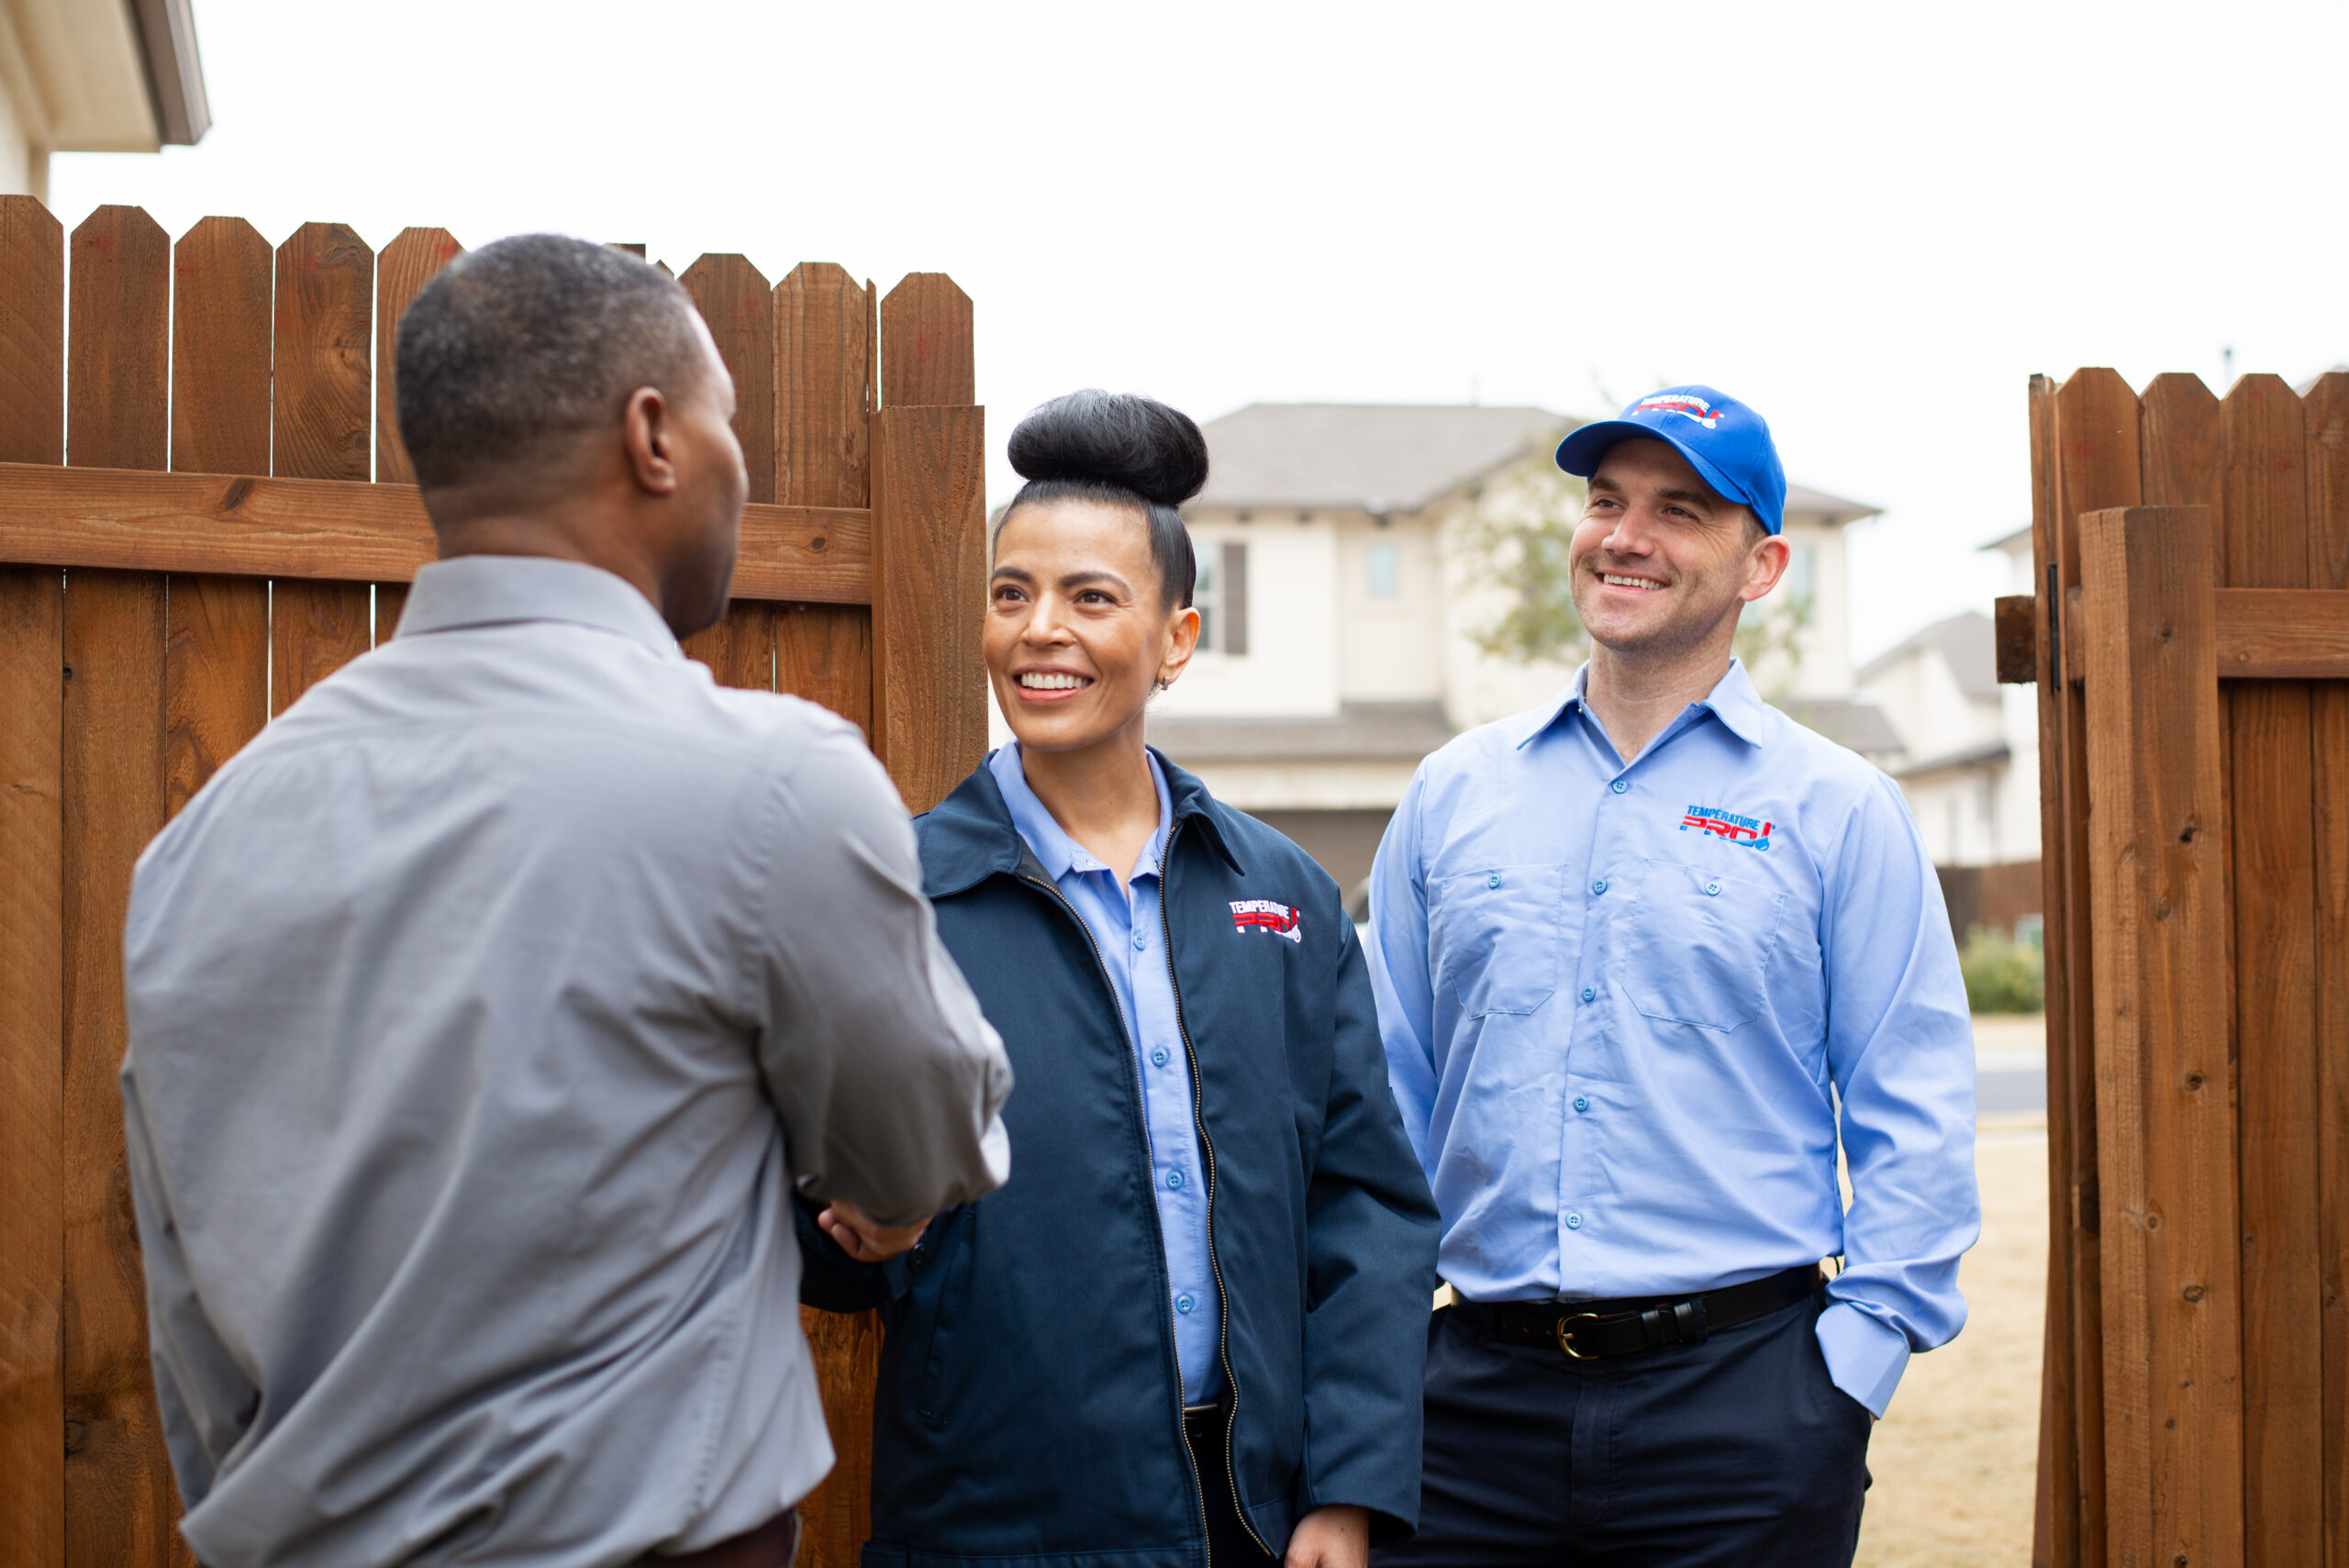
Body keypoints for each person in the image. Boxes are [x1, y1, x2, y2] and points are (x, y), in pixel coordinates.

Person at [119, 235, 1013, 1568]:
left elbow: (185, 1296)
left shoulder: (202, 840)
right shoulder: (771, 785)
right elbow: (923, 1142)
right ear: (653, 437)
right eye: (730, 422)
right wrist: (885, 1195)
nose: (741, 465)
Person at [798, 391, 1441, 1568]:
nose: (1041, 629)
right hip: (995, 1521)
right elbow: (811, 1218)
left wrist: (1345, 1490)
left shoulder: (1283, 895)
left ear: (1175, 639)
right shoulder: (889, 893)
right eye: (1012, 593)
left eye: (1091, 597)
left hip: (1258, 1514)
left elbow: (1368, 1208)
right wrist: (858, 1232)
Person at [1364, 386, 1979, 1565]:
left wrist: (1845, 1376)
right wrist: (1379, 1348)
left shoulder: (1838, 808)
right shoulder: (1455, 792)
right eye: (1606, 502)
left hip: (1747, 1413)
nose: (1624, 536)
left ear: (1761, 564)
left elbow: (1916, 1107)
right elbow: (1380, 1093)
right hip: (1467, 1412)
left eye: (1679, 510)